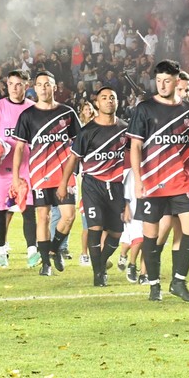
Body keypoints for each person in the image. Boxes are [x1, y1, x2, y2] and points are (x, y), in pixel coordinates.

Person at [128, 60, 189, 302]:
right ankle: (154, 284)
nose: (161, 85)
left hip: (182, 181)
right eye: (158, 81)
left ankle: (179, 281)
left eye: (166, 81)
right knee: (151, 236)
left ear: (176, 81)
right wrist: (138, 180)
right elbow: (136, 146)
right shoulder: (144, 109)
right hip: (151, 182)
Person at [10, 71, 80, 276]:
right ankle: (45, 264)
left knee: (68, 216)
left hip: (64, 174)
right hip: (40, 174)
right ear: (35, 88)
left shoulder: (67, 112)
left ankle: (54, 249)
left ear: (54, 87)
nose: (43, 88)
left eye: (47, 84)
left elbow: (79, 143)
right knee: (43, 217)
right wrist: (15, 177)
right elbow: (20, 148)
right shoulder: (27, 115)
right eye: (39, 84)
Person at [58, 87, 128, 287]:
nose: (108, 101)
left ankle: (101, 261)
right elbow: (73, 159)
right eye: (104, 98)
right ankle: (99, 274)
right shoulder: (87, 131)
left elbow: (134, 155)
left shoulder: (125, 129)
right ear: (97, 103)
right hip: (92, 186)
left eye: (112, 97)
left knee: (116, 233)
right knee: (95, 229)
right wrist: (63, 183)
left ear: (117, 102)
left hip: (116, 187)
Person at [0, 70, 36, 267]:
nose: (14, 87)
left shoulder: (32, 108)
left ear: (26, 86)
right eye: (11, 83)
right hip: (1, 169)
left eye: (18, 84)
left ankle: (32, 253)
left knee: (28, 210)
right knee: (0, 212)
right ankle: (1, 252)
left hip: (26, 167)